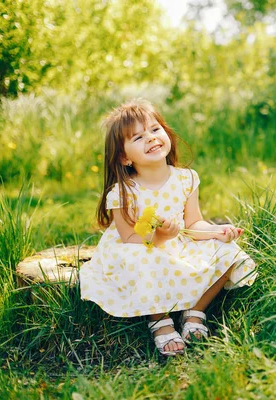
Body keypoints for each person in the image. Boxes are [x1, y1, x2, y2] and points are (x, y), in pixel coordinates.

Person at [80, 99, 257, 356]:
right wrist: (160, 237)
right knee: (142, 258)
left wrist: (215, 232)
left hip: (177, 243)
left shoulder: (185, 179)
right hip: (140, 247)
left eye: (154, 129)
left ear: (166, 133)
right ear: (124, 157)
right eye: (138, 137)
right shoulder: (123, 191)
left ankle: (195, 311)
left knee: (229, 251)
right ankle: (159, 320)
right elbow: (129, 238)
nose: (151, 138)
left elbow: (194, 223)